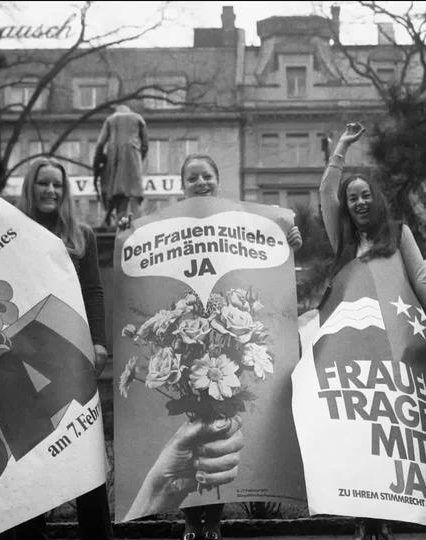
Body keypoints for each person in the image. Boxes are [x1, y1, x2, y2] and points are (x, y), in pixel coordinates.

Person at [123, 153, 301, 540]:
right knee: (196, 431)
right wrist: (126, 230)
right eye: (192, 178)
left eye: (207, 176)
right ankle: (191, 520)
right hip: (187, 336)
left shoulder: (237, 222)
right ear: (182, 185)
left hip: (226, 337)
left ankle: (214, 520)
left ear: (218, 181)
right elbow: (139, 248)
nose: (200, 182)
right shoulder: (167, 224)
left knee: (216, 431)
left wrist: (288, 238)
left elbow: (269, 254)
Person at [0, 158, 112, 540]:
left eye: (57, 186)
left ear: (65, 192)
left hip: (71, 355)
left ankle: (97, 534)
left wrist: (98, 342)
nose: (51, 191)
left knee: (83, 453)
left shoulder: (83, 237)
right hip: (21, 359)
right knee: (32, 456)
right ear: (31, 188)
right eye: (43, 184)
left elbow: (93, 292)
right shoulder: (9, 232)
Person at [320, 123, 426, 540]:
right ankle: (365, 519)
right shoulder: (341, 239)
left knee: (389, 431)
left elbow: (422, 281)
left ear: (375, 200)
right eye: (351, 198)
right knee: (360, 434)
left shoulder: (400, 234)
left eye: (364, 196)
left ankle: (386, 517)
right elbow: (327, 192)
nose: (358, 202)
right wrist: (340, 149)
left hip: (396, 349)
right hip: (351, 351)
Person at [95, 104, 148, 227]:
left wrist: (99, 161)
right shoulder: (138, 118)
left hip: (114, 159)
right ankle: (137, 223)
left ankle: (119, 222)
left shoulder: (110, 120)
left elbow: (100, 143)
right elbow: (145, 144)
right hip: (134, 158)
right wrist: (140, 158)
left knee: (118, 194)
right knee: (134, 194)